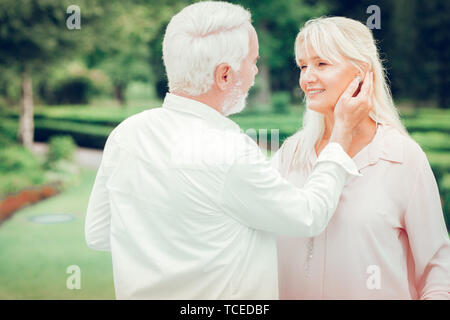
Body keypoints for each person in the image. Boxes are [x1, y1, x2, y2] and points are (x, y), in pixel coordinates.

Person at [85, 2, 371, 299]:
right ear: (224, 75)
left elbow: (97, 233)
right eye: (252, 62)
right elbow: (308, 215)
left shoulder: (126, 134)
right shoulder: (230, 152)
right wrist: (341, 134)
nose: (255, 71)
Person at [272, 16, 450, 300]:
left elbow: (437, 272)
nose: (307, 78)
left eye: (321, 64)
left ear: (362, 72)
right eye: (303, 66)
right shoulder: (290, 155)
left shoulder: (403, 158)